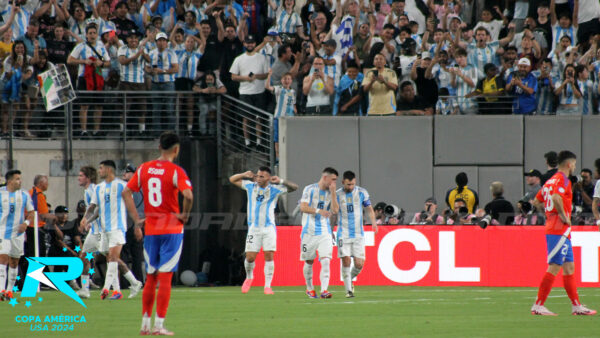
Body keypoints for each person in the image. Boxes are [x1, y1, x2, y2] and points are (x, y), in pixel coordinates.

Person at [122, 132, 193, 336]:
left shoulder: (144, 168)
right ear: (176, 149)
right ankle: (159, 325)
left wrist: (137, 219)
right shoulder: (175, 170)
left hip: (151, 229)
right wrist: (185, 215)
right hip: (171, 228)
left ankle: (144, 324)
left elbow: (126, 192)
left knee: (151, 276)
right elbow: (188, 195)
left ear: (159, 146)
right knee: (166, 278)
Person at [530, 150, 596, 315]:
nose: (574, 167)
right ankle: (538, 305)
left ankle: (576, 306)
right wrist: (561, 215)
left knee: (569, 267)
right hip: (558, 228)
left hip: (559, 229)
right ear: (569, 164)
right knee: (555, 266)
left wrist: (548, 213)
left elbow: (537, 200)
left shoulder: (550, 181)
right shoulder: (562, 180)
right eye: (573, 164)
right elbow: (556, 198)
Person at [229, 167, 298, 295]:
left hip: (268, 228)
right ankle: (249, 277)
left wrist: (281, 180)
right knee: (250, 257)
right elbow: (232, 179)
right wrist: (244, 174)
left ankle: (267, 286)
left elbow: (294, 187)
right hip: (254, 228)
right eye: (258, 175)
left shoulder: (274, 189)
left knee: (269, 256)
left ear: (268, 178)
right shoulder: (250, 186)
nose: (258, 178)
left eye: (262, 176)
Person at [81, 160, 143, 301]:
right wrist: (86, 219)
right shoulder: (99, 188)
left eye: (101, 168)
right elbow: (95, 208)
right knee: (110, 259)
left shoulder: (122, 186)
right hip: (104, 230)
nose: (99, 171)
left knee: (113, 259)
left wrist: (137, 226)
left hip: (118, 228)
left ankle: (107, 289)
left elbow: (130, 206)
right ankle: (132, 284)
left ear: (109, 169)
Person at [335, 171, 377, 298]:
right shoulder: (337, 195)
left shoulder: (362, 193)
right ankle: (348, 290)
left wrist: (374, 223)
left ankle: (349, 280)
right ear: (343, 182)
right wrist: (331, 228)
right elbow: (333, 213)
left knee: (359, 264)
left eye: (352, 184)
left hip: (358, 234)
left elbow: (369, 209)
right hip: (343, 233)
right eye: (348, 185)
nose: (350, 187)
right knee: (346, 260)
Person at [299, 167, 339, 299]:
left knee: (326, 260)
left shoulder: (332, 192)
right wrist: (318, 211)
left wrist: (333, 193)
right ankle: (310, 288)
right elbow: (303, 207)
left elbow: (335, 210)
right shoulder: (309, 189)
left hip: (324, 232)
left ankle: (324, 290)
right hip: (308, 232)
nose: (334, 183)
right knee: (309, 261)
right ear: (325, 177)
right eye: (333, 180)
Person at [66, 23, 111, 137]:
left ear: (97, 35)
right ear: (86, 35)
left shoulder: (101, 47)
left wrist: (101, 64)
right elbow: (70, 60)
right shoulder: (81, 46)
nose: (92, 35)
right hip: (84, 78)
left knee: (98, 105)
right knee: (84, 105)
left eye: (94, 33)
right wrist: (84, 61)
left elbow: (108, 63)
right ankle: (84, 130)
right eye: (90, 33)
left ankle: (96, 130)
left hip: (98, 78)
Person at [230, 34, 269, 148]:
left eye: (252, 43)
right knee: (246, 118)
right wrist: (246, 78)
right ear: (244, 44)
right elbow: (233, 76)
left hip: (259, 91)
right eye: (248, 43)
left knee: (258, 118)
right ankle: (247, 142)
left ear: (255, 44)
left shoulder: (262, 58)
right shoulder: (239, 59)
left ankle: (259, 142)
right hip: (245, 92)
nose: (250, 44)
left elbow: (266, 74)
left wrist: (256, 76)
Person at [0, 170, 34, 301]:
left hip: (18, 233)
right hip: (2, 231)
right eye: (17, 179)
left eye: (20, 179)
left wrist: (26, 223)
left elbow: (31, 212)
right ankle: (1, 290)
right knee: (2, 258)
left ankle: (9, 291)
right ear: (10, 181)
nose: (20, 181)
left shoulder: (24, 194)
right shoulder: (1, 193)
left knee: (14, 261)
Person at [76, 166, 104, 299]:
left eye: (81, 175)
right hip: (94, 230)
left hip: (99, 231)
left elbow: (97, 209)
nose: (78, 178)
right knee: (84, 256)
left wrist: (87, 220)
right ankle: (85, 289)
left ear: (88, 178)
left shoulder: (92, 190)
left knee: (112, 258)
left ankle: (132, 282)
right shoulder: (89, 190)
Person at [145, 32, 179, 134]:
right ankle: (156, 133)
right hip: (155, 83)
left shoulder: (171, 53)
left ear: (166, 42)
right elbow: (146, 67)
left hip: (168, 83)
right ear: (156, 42)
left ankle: (171, 132)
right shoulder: (151, 53)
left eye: (164, 40)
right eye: (159, 40)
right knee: (156, 109)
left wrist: (163, 71)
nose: (161, 43)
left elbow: (176, 68)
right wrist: (151, 71)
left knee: (169, 109)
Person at [118, 29, 150, 137]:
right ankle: (123, 131)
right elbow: (122, 61)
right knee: (124, 108)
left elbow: (150, 60)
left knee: (142, 108)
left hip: (140, 83)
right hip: (126, 82)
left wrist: (143, 54)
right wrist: (135, 56)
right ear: (127, 39)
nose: (133, 40)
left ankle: (142, 131)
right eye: (131, 37)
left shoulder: (142, 49)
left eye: (135, 38)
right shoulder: (122, 49)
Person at [122, 164, 145, 284]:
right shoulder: (140, 188)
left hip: (131, 225)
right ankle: (138, 281)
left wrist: (137, 226)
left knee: (128, 255)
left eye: (127, 172)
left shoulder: (134, 189)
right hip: (131, 225)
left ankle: (127, 282)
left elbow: (139, 209)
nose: (124, 174)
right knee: (136, 255)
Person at [265, 71, 296, 161]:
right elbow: (267, 87)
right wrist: (269, 75)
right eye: (285, 79)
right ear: (281, 80)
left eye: (288, 79)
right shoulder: (279, 89)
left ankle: (288, 156)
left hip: (290, 119)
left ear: (291, 80)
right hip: (278, 118)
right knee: (277, 139)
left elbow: (293, 104)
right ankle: (278, 158)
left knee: (288, 138)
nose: (286, 81)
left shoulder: (293, 91)